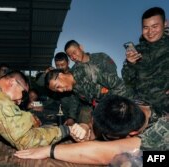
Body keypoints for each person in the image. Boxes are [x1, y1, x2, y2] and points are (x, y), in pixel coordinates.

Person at [14, 95, 168, 165]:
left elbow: (104, 153)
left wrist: (49, 150)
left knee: (131, 160)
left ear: (132, 133)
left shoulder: (160, 132)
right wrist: (85, 126)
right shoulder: (127, 102)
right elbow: (96, 127)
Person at [121, 7, 169, 117]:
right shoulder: (137, 50)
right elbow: (128, 81)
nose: (150, 32)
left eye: (155, 26)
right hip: (141, 110)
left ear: (165, 24)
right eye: (145, 27)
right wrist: (130, 64)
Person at [36, 52, 80, 125]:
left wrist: (71, 117)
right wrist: (46, 73)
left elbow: (74, 100)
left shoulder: (73, 75)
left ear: (68, 62)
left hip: (73, 109)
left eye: (62, 65)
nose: (60, 67)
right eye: (57, 65)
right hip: (58, 106)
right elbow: (39, 83)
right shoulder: (54, 74)